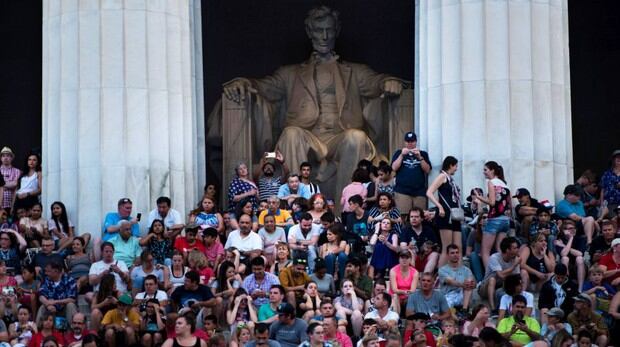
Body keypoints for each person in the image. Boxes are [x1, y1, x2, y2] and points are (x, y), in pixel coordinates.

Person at [223, 6, 405, 210]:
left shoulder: (354, 71)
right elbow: (265, 86)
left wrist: (389, 82)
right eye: (319, 30)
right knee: (291, 134)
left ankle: (344, 210)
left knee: (357, 137)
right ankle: (297, 209)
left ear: (337, 30)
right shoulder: (290, 73)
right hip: (307, 136)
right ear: (310, 32)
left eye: (329, 30)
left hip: (339, 136)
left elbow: (376, 82)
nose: (324, 36)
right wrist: (244, 83)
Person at [472, 161, 511, 269]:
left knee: (485, 251)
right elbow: (510, 204)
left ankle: (490, 277)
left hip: (495, 219)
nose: (484, 172)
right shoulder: (505, 184)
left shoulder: (491, 182)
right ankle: (503, 275)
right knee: (500, 250)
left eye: (485, 170)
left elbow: (492, 202)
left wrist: (479, 197)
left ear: (492, 170)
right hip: (505, 220)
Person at [426, 156, 462, 266]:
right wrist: (439, 206)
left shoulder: (451, 179)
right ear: (450, 165)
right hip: (445, 214)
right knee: (447, 247)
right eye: (455, 166)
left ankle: (458, 273)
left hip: (455, 214)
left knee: (458, 247)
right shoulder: (442, 176)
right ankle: (442, 276)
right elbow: (429, 192)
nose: (456, 168)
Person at [478, 236, 521, 311]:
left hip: (502, 287)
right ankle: (493, 308)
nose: (518, 250)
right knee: (492, 280)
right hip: (485, 288)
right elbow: (500, 275)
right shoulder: (494, 258)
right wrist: (514, 266)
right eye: (515, 248)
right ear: (507, 250)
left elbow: (516, 277)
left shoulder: (515, 259)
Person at [391, 132, 431, 213]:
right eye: (408, 141)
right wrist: (402, 155)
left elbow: (427, 170)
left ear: (416, 142)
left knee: (419, 216)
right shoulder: (398, 153)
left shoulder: (423, 154)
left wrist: (420, 157)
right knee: (403, 216)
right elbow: (394, 168)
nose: (410, 143)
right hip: (402, 191)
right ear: (405, 142)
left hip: (419, 191)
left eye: (412, 141)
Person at [36, 261, 78, 326]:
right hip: (50, 310)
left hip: (65, 309)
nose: (46, 273)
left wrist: (55, 302)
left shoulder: (69, 280)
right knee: (42, 307)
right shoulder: (46, 280)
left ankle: (73, 330)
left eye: (48, 271)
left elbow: (72, 299)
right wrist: (47, 304)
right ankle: (37, 331)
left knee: (71, 305)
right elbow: (41, 296)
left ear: (56, 271)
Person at [399, 207, 439, 274]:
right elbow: (402, 248)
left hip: (426, 258)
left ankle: (426, 277)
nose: (414, 219)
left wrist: (430, 249)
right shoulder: (405, 230)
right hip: (412, 259)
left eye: (416, 217)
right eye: (411, 217)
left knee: (435, 254)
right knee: (410, 251)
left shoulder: (429, 230)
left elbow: (437, 246)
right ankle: (414, 277)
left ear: (422, 218)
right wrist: (409, 247)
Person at [438, 244, 475, 312]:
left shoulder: (466, 270)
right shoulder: (442, 270)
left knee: (469, 283)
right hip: (448, 295)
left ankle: (464, 311)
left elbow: (473, 283)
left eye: (457, 252)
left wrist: (472, 284)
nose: (455, 255)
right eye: (452, 253)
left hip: (463, 295)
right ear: (447, 255)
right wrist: (463, 284)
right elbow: (451, 281)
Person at [0, 147, 21, 213]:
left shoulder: (17, 171)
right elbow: (12, 184)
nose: (5, 158)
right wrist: (10, 185)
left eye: (8, 156)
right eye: (3, 156)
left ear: (12, 158)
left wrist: (1, 185)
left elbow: (15, 184)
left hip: (11, 204)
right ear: (1, 158)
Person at [601, 149, 620, 219]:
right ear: (613, 160)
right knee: (612, 221)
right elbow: (603, 190)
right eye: (617, 157)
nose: (619, 159)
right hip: (610, 204)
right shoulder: (607, 174)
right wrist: (602, 205)